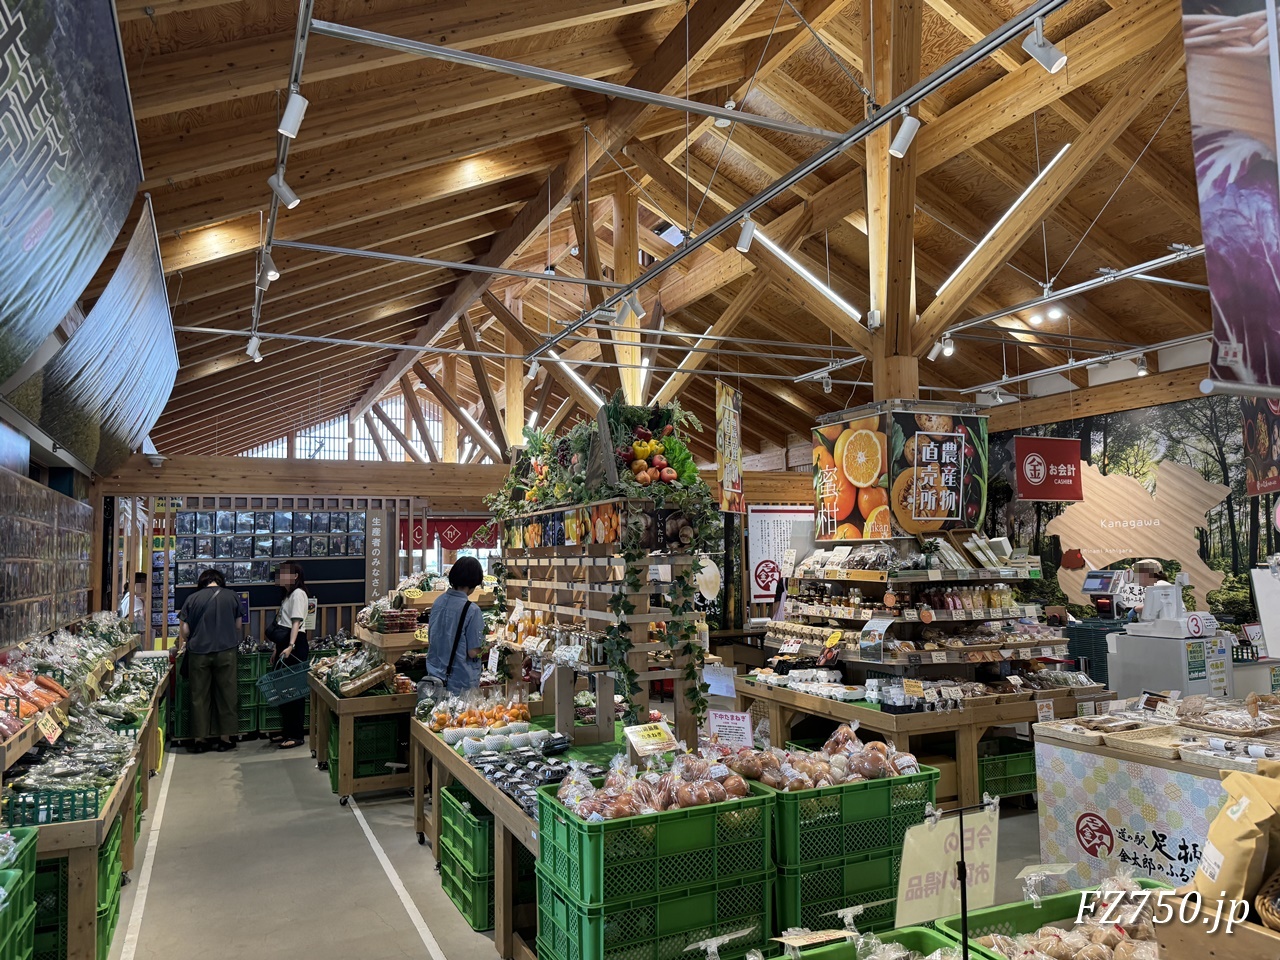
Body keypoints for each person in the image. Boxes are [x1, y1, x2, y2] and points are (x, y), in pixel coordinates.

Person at [177, 569, 243, 753]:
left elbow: (186, 631)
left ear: (203, 581)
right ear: (220, 580)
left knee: (199, 696)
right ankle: (225, 738)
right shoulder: (232, 596)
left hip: (199, 653)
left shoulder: (192, 599)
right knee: (227, 694)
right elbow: (238, 626)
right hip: (226, 651)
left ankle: (200, 740)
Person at [424, 557, 485, 695]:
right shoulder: (471, 610)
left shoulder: (438, 602)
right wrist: (490, 647)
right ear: (474, 582)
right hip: (459, 682)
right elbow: (474, 651)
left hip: (434, 677)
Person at [268, 562, 309, 749]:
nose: (280, 577)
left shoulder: (299, 594)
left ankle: (296, 734)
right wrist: (277, 648)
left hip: (295, 643)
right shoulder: (287, 595)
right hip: (285, 644)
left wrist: (291, 645)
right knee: (283, 690)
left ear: (295, 576)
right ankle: (287, 731)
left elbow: (296, 623)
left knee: (294, 690)